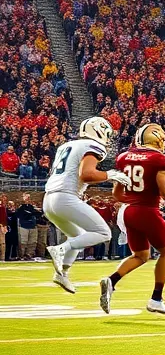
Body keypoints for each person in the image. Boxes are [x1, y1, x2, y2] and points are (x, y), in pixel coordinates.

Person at [101, 123, 165, 315]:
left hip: (127, 211)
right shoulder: (159, 159)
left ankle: (111, 280)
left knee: (141, 255)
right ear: (157, 139)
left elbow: (117, 194)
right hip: (146, 211)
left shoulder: (124, 157)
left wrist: (136, 200)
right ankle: (156, 299)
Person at [43, 118, 132, 294]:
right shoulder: (92, 146)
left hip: (49, 200)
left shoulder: (67, 146)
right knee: (103, 233)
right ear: (99, 131)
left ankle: (62, 273)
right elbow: (87, 174)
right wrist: (111, 174)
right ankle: (61, 250)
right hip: (65, 197)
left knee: (78, 235)